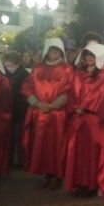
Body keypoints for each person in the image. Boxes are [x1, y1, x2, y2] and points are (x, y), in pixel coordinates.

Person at [22, 38, 73, 190]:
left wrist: (54, 105)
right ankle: (46, 173)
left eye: (57, 50)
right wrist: (37, 103)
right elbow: (27, 87)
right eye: (52, 50)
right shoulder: (37, 68)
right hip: (40, 113)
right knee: (42, 146)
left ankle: (57, 174)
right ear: (47, 51)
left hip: (57, 115)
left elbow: (70, 90)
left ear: (61, 51)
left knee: (56, 145)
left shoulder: (67, 69)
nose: (54, 52)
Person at [64, 42, 104, 198]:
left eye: (92, 55)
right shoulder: (78, 73)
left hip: (93, 119)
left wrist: (84, 106)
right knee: (78, 152)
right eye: (87, 55)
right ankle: (79, 183)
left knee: (92, 153)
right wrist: (74, 107)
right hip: (78, 118)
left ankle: (91, 184)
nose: (89, 58)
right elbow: (70, 92)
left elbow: (100, 94)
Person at [3, 51, 30, 167]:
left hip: (20, 110)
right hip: (10, 110)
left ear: (17, 64)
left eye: (10, 65)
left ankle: (21, 160)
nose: (8, 68)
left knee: (19, 137)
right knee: (10, 137)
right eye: (6, 65)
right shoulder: (8, 74)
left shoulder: (24, 75)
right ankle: (10, 159)